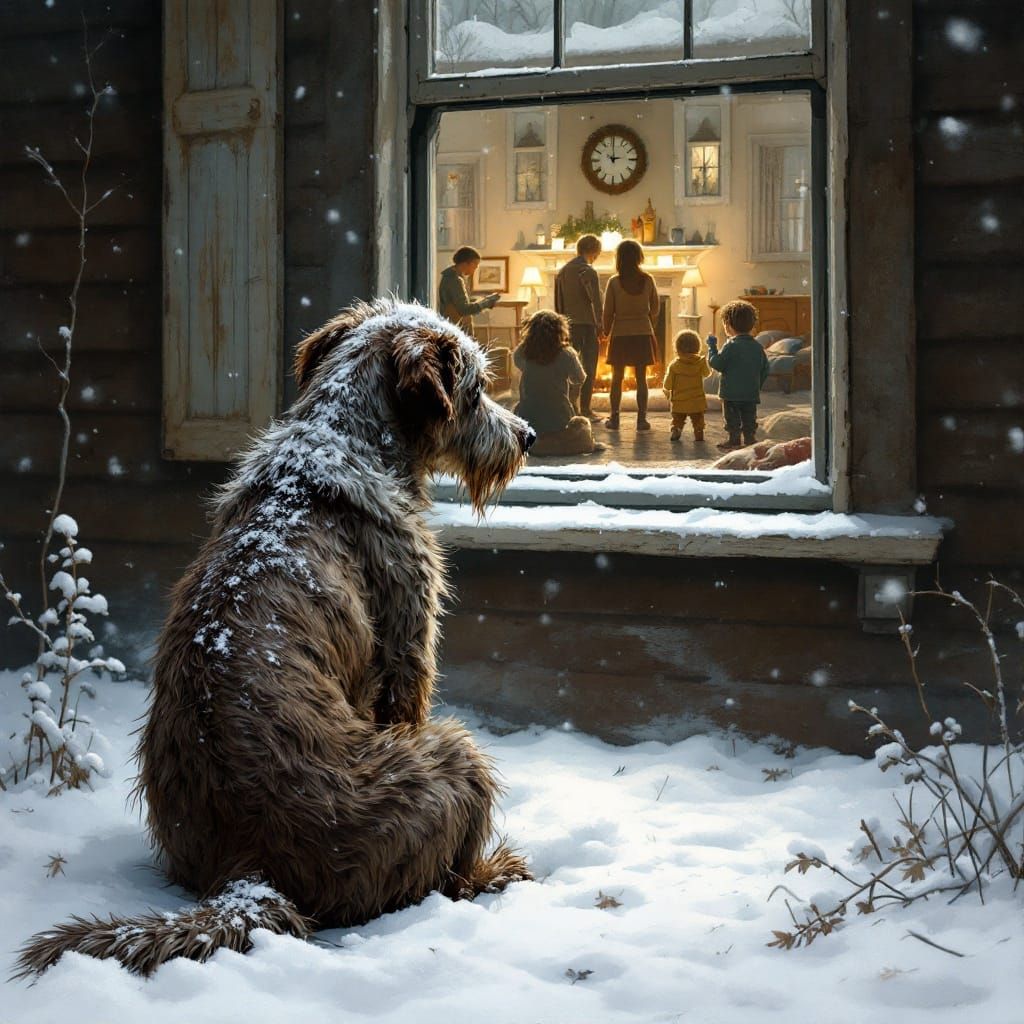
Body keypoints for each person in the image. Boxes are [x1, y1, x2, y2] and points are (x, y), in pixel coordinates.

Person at [513, 309, 603, 456]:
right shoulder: (567, 354)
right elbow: (580, 378)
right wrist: (573, 399)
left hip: (528, 418)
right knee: (581, 423)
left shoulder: (522, 352)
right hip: (559, 419)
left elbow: (520, 364)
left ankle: (529, 444)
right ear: (560, 330)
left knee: (517, 408)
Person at [601, 239, 659, 432]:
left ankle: (615, 418)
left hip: (621, 334)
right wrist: (650, 325)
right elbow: (656, 308)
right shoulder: (648, 279)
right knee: (641, 378)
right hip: (642, 332)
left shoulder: (614, 282)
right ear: (638, 257)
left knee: (617, 378)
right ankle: (642, 420)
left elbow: (608, 311)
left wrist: (605, 331)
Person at [707, 299, 770, 451]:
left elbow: (717, 364)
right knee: (749, 418)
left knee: (732, 419)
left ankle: (734, 439)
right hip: (750, 393)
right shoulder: (757, 347)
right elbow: (765, 368)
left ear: (728, 325)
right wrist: (757, 385)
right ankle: (750, 438)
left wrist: (712, 348)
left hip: (731, 394)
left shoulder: (730, 346)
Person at [554, 233, 603, 419]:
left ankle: (568, 408)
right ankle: (586, 409)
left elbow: (558, 303)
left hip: (567, 325)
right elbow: (596, 303)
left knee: (567, 367)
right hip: (588, 325)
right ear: (594, 251)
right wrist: (601, 325)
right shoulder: (589, 271)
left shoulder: (563, 271)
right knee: (588, 367)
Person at [437, 245, 499, 336]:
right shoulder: (454, 280)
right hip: (455, 332)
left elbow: (459, 303)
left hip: (453, 329)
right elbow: (464, 309)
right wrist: (486, 303)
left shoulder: (453, 277)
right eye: (475, 266)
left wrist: (484, 300)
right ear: (466, 263)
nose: (475, 270)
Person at [663, 329, 711, 442]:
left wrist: (666, 389)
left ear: (677, 348)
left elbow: (668, 384)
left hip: (679, 401)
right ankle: (699, 432)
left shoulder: (674, 365)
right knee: (698, 419)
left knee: (678, 419)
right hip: (696, 400)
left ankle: (676, 429)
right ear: (697, 347)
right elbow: (707, 373)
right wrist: (705, 363)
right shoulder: (700, 363)